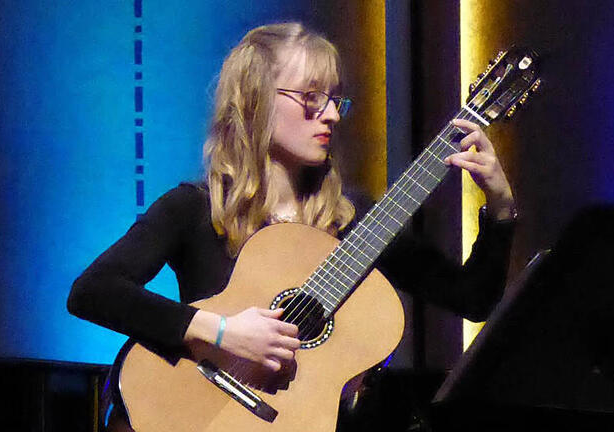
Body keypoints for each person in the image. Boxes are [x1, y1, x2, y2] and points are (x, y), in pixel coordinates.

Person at [67, 22, 516, 429]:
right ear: (256, 100)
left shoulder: (354, 221)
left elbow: (472, 298)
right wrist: (222, 332)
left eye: (334, 99)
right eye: (311, 97)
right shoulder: (195, 208)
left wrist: (499, 209)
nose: (332, 114)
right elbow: (93, 291)